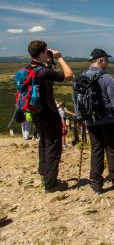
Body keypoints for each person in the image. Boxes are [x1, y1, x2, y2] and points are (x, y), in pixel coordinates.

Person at [28, 40, 73, 193]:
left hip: (36, 113)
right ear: (41, 53)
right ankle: (51, 184)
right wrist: (59, 58)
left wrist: (48, 61)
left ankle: (44, 173)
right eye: (46, 51)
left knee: (44, 142)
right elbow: (69, 75)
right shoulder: (43, 71)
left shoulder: (29, 68)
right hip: (48, 113)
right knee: (54, 145)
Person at [85, 48, 114, 194]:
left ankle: (96, 182)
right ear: (100, 60)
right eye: (106, 60)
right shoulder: (107, 78)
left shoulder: (81, 77)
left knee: (96, 150)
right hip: (109, 120)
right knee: (112, 150)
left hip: (91, 121)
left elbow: (77, 101)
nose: (108, 62)